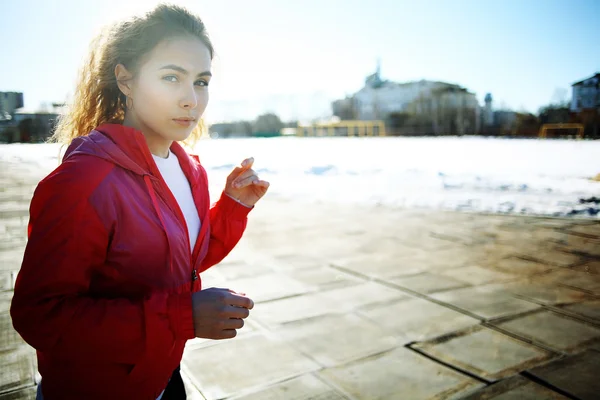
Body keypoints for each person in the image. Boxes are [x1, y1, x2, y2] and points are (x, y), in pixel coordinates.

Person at [10, 4, 269, 399]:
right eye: (171, 77)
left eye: (201, 81)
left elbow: (180, 261)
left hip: (163, 374)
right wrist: (182, 317)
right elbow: (41, 316)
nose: (191, 100)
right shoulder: (85, 181)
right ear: (125, 80)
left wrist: (233, 206)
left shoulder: (189, 170)